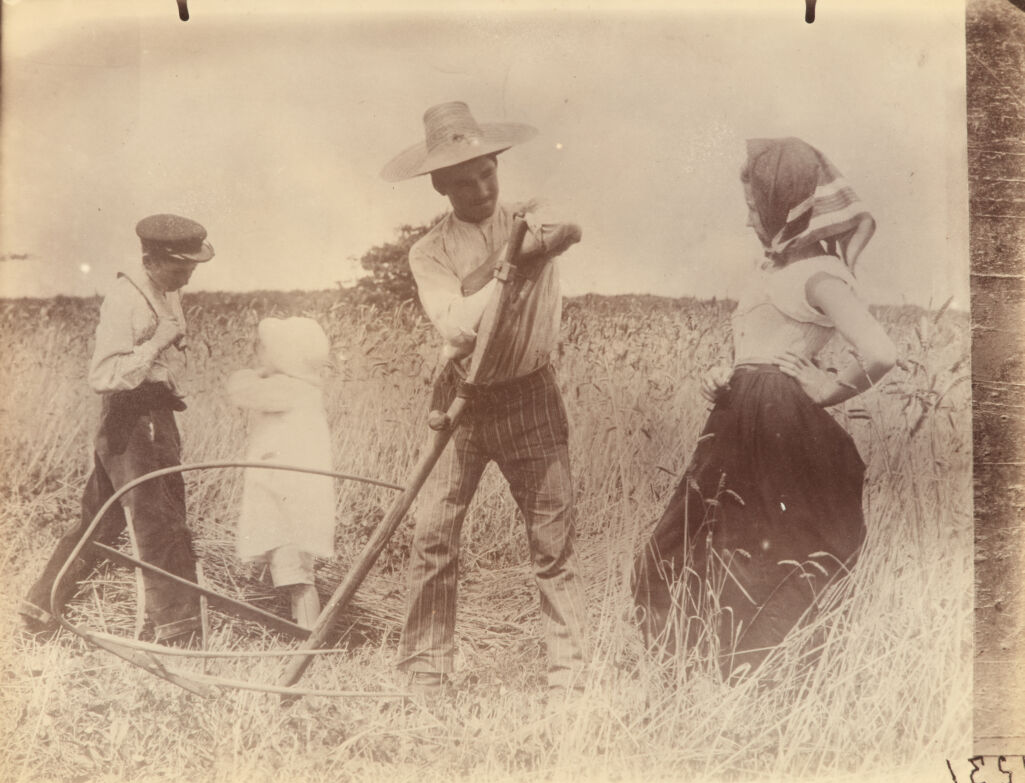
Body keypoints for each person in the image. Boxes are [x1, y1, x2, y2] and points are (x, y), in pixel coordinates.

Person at [632, 137, 896, 678]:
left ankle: (760, 675)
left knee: (758, 546)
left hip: (775, 420)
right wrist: (723, 373)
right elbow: (756, 345)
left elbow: (880, 352)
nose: (750, 220)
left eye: (756, 208)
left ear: (785, 209)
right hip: (740, 414)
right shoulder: (777, 273)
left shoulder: (819, 275)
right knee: (703, 537)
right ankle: (702, 667)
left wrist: (828, 390)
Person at [380, 101, 587, 694]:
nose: (478, 189)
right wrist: (510, 265)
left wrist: (527, 247)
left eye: (486, 173)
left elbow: (568, 226)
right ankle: (425, 677)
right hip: (461, 402)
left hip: (531, 396)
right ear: (440, 186)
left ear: (498, 165)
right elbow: (456, 326)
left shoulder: (530, 216)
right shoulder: (429, 252)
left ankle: (569, 683)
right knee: (433, 538)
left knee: (553, 543)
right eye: (462, 181)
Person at [19, 213, 215, 645]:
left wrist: (166, 352)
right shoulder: (125, 298)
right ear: (152, 259)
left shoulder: (167, 288)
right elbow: (103, 375)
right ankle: (177, 631)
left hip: (156, 415)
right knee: (158, 521)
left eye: (193, 268)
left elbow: (164, 335)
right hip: (129, 419)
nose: (188, 277)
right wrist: (156, 344)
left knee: (102, 521)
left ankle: (39, 607)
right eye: (181, 268)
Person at [226, 317, 335, 629]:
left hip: (289, 502)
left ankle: (308, 636)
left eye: (266, 350)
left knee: (297, 575)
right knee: (290, 569)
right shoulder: (301, 389)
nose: (259, 355)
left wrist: (256, 372)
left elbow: (240, 390)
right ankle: (297, 628)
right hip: (283, 496)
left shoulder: (291, 389)